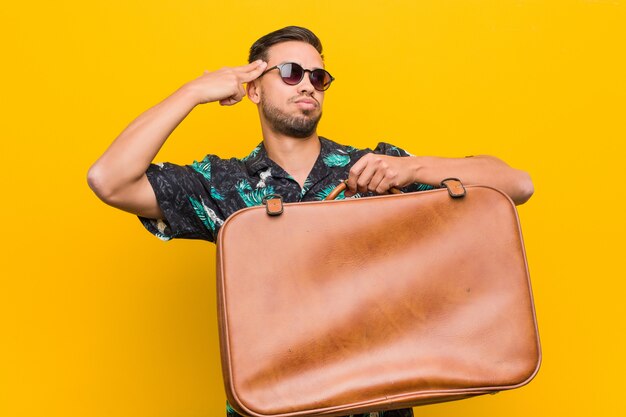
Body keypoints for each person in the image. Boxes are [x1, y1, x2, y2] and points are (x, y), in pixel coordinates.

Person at [87, 26, 533, 417]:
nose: (308, 85)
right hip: (270, 405)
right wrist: (192, 92)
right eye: (289, 73)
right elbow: (109, 179)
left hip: (374, 401)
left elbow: (516, 185)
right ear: (254, 89)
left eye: (318, 77)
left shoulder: (373, 167)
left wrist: (414, 169)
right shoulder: (223, 185)